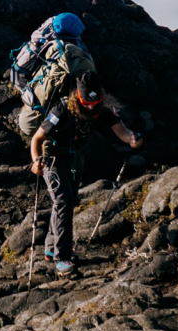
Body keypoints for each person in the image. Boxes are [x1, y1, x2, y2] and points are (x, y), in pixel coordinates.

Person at [28, 73, 142, 274]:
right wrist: (36, 161)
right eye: (85, 103)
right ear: (78, 97)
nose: (90, 107)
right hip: (52, 158)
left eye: (95, 102)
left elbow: (121, 130)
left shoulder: (101, 108)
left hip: (74, 159)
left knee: (66, 201)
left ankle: (50, 247)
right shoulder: (61, 108)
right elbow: (37, 138)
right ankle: (62, 257)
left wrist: (133, 138)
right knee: (63, 200)